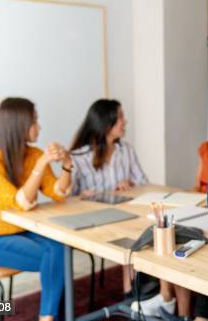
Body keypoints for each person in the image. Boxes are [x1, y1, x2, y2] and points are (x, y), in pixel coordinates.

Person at [139, 104, 208, 321]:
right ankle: (179, 309)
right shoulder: (207, 148)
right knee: (170, 237)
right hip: (198, 210)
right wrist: (186, 202)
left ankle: (194, 311)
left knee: (198, 250)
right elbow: (195, 186)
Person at [0, 98, 72, 321]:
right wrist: (42, 163)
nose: (39, 127)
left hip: (23, 232)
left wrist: (66, 164)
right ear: (19, 124)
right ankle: (49, 317)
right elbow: (20, 201)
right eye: (35, 121)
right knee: (55, 257)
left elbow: (57, 192)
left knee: (61, 249)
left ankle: (52, 316)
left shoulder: (34, 154)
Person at [69, 98, 149, 297]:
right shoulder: (78, 157)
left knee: (142, 232)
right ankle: (135, 296)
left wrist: (130, 184)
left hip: (124, 218)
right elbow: (66, 198)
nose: (125, 122)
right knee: (132, 236)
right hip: (94, 223)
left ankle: (136, 295)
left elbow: (145, 185)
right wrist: (80, 196)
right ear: (106, 122)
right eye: (120, 117)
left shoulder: (126, 150)